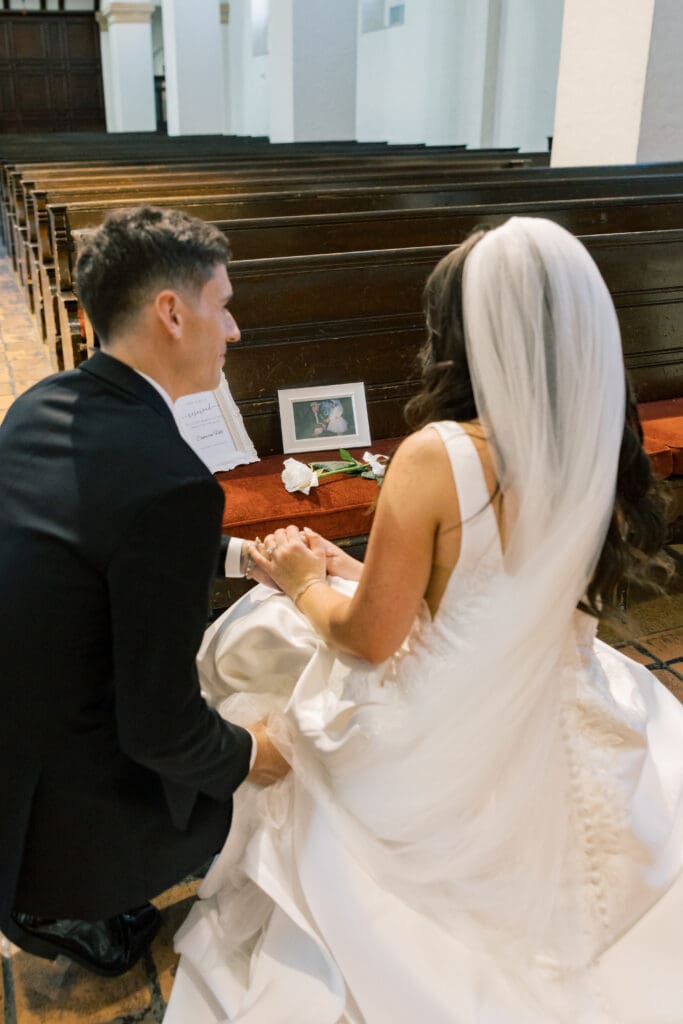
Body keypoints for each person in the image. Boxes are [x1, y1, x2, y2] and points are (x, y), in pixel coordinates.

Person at [165, 217, 683, 1023]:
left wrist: (302, 579)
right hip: (551, 693)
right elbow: (490, 585)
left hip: (443, 725)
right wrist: (354, 570)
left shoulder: (439, 452)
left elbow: (371, 639)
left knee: (255, 639)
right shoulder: (590, 442)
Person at [0, 206, 288, 978]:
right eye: (221, 306)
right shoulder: (169, 481)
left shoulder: (41, 403)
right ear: (171, 311)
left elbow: (95, 537)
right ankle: (84, 893)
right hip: (71, 796)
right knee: (268, 771)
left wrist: (240, 556)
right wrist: (254, 755)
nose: (230, 331)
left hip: (17, 733)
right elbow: (161, 731)